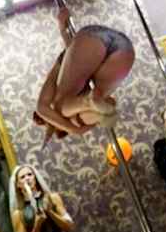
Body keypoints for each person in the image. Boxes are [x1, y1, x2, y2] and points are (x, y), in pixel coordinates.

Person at [35, 7, 135, 141]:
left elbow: (41, 108)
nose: (58, 121)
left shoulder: (56, 93)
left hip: (106, 45)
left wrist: (75, 129)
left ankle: (89, 104)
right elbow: (73, 54)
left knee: (61, 106)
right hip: (119, 49)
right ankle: (94, 106)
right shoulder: (73, 104)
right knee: (90, 107)